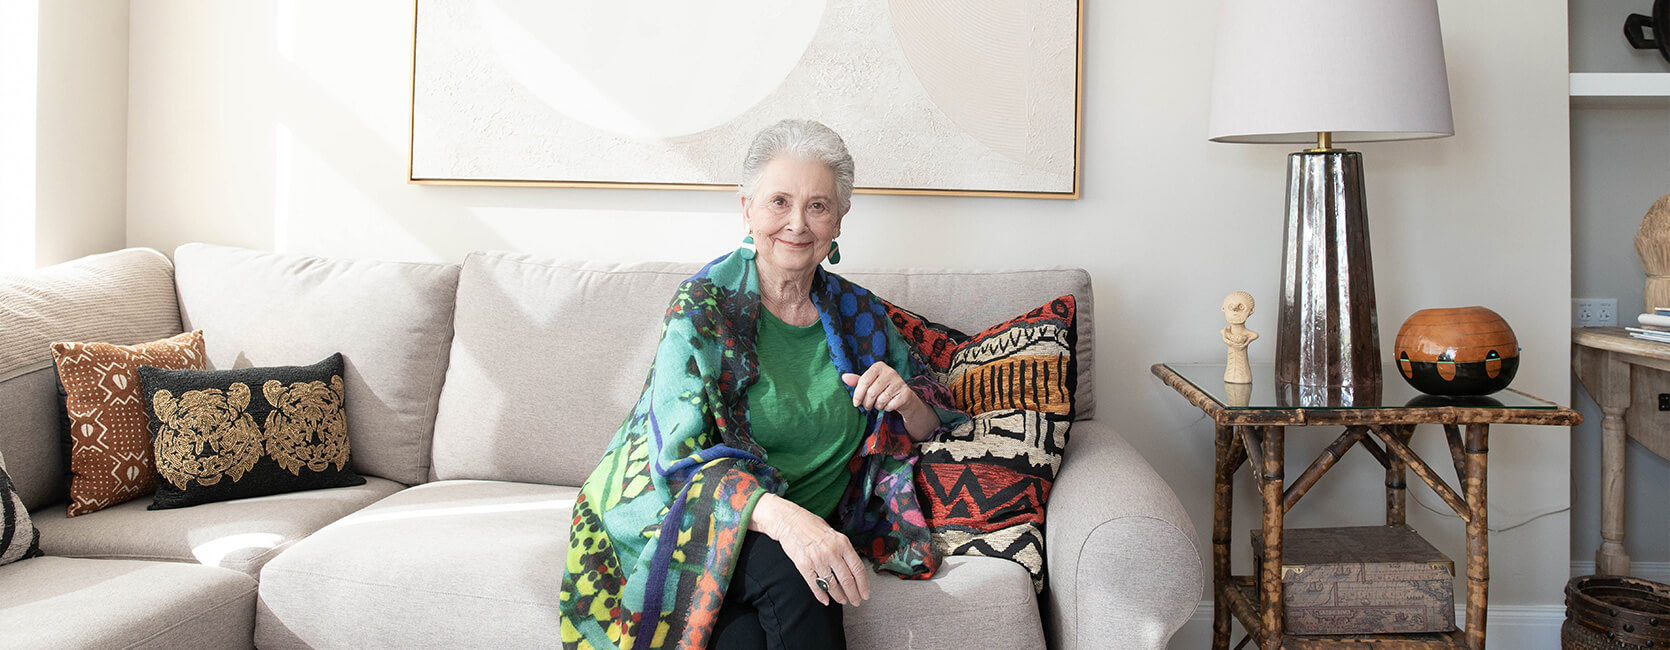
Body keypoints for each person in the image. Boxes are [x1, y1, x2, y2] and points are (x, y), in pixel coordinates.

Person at [558, 119, 967, 650]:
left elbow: (937, 421)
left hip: (779, 539)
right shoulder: (702, 309)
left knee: (744, 638)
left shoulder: (859, 317)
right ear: (746, 209)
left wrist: (908, 402)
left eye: (818, 205)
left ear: (839, 220)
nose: (797, 223)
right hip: (686, 519)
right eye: (779, 201)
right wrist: (789, 522)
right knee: (804, 573)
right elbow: (675, 459)